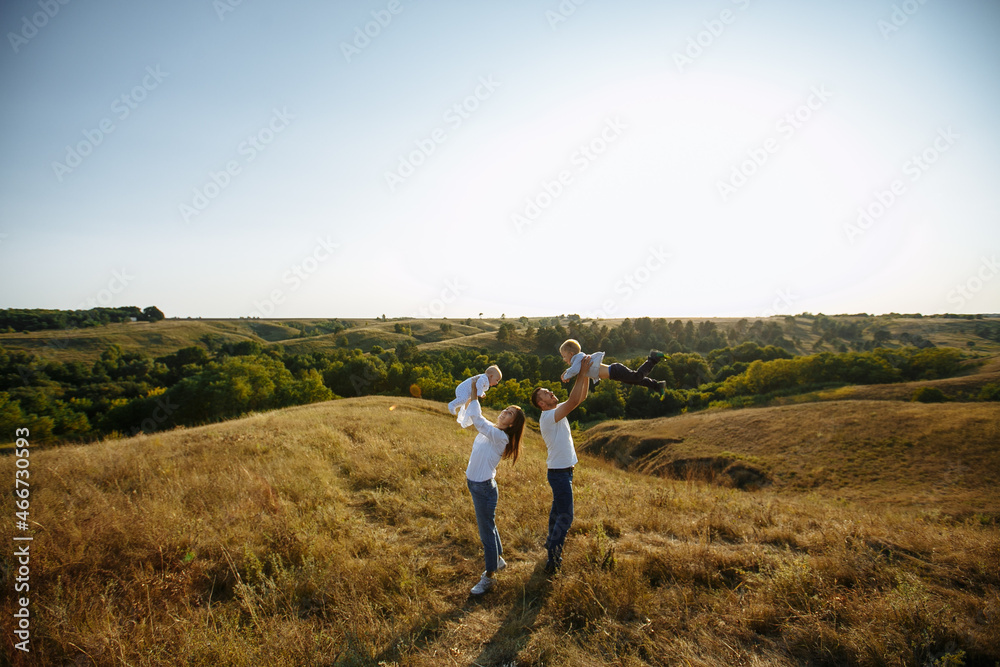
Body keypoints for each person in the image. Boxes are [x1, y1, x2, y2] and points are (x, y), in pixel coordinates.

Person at [530, 354, 593, 574]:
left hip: (562, 472)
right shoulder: (548, 417)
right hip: (558, 473)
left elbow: (580, 398)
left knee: (557, 513)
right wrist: (582, 372)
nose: (551, 392)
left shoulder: (554, 413)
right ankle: (553, 560)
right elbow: (574, 400)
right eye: (546, 393)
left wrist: (586, 373)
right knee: (566, 516)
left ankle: (550, 543)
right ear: (542, 403)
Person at [464, 398, 525, 595]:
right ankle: (498, 560)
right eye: (505, 409)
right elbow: (478, 420)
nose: (504, 412)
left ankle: (489, 576)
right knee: (489, 526)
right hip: (476, 485)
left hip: (484, 489)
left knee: (486, 533)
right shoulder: (491, 429)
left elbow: (479, 420)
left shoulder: (501, 437)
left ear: (512, 424)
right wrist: (469, 397)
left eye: (509, 414)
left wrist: (474, 394)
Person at [559, 339, 666, 394]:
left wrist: (565, 376)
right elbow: (575, 370)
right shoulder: (578, 361)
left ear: (571, 354)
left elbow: (574, 370)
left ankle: (653, 359)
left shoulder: (578, 358)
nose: (563, 359)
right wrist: (566, 372)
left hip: (615, 371)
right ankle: (657, 386)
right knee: (636, 380)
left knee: (637, 377)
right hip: (614, 374)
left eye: (564, 356)